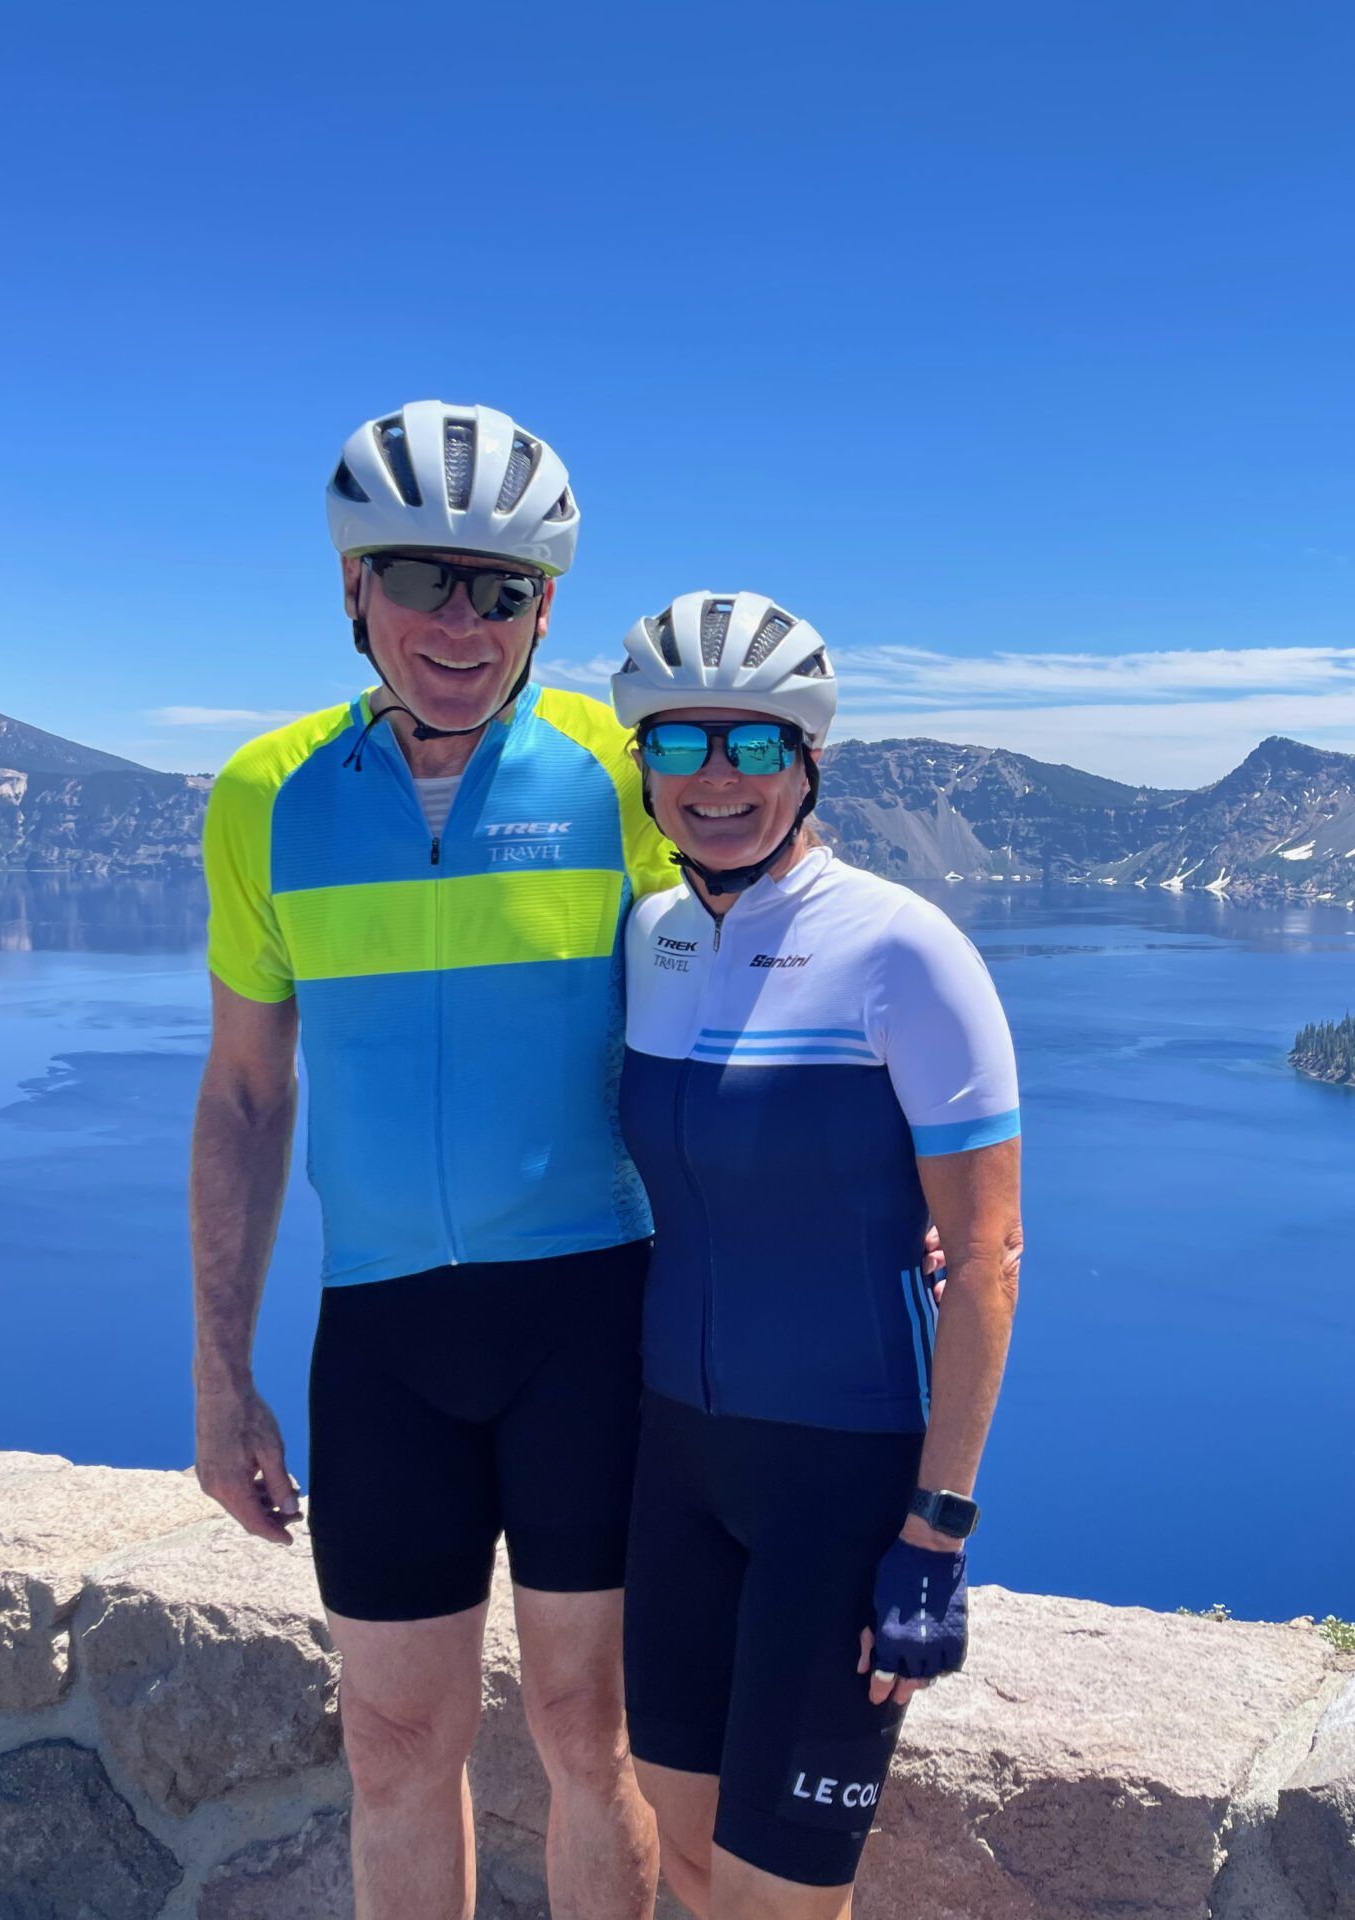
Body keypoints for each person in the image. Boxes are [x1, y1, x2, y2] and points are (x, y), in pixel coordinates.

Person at [192, 402, 674, 1919]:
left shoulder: (623, 771)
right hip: (386, 1339)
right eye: (420, 577)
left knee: (590, 1737)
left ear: (548, 607)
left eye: (501, 588)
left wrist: (891, 1193)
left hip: (590, 1317)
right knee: (395, 1740)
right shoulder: (266, 798)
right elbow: (247, 1102)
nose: (459, 623)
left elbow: (758, 991)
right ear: (353, 592)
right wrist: (221, 1378)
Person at [607, 594, 1025, 1917]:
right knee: (682, 1857)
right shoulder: (652, 940)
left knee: (779, 1903)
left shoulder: (904, 949)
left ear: (809, 763)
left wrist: (937, 1535)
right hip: (673, 1468)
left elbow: (990, 1256)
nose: (716, 780)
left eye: (754, 745)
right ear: (645, 767)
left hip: (840, 1493)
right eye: (680, 747)